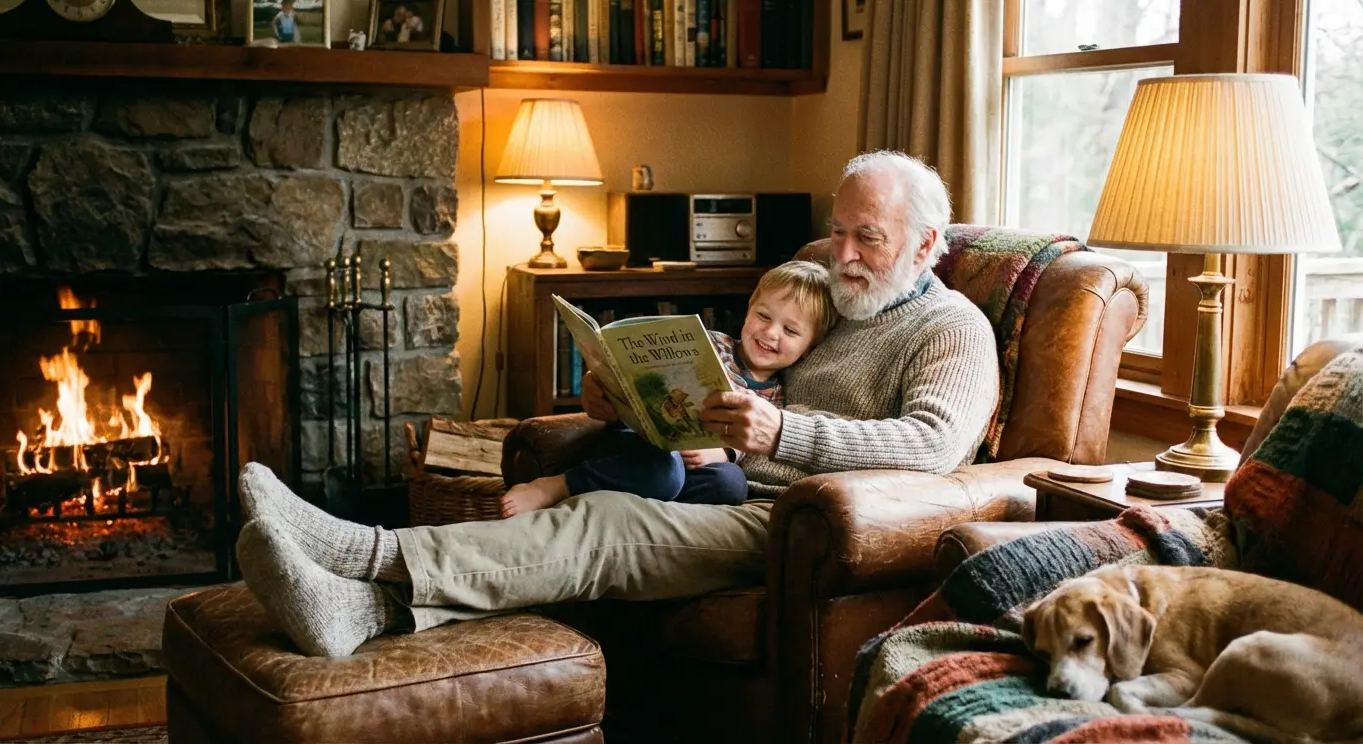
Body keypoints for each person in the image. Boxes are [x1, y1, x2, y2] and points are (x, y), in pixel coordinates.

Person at [234, 150, 1001, 658]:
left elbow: (933, 446)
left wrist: (781, 432)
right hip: (726, 484)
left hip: (805, 521)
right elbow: (741, 381)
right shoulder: (824, 289)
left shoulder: (953, 330)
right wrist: (620, 401)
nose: (840, 256)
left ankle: (358, 551)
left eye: (866, 238)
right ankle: (361, 611)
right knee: (621, 489)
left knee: (606, 523)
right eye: (836, 232)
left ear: (927, 243)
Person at [500, 260, 838, 516]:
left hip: (693, 466)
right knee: (664, 471)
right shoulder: (711, 344)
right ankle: (559, 484)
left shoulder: (780, 396)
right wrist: (595, 384)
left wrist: (718, 453)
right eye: (764, 316)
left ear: (809, 347)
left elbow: (749, 446)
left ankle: (641, 504)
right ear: (749, 309)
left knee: (731, 482)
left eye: (790, 331)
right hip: (638, 444)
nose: (771, 333)